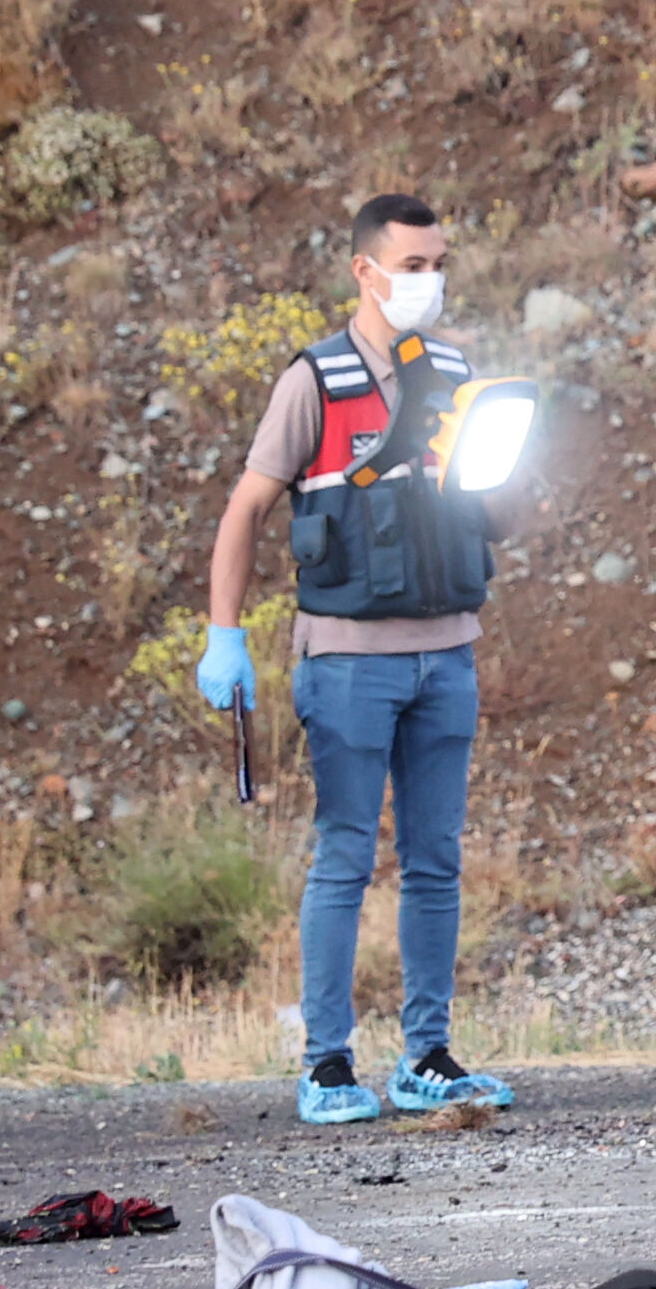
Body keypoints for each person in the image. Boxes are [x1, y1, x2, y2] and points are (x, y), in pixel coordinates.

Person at [196, 193, 538, 1127]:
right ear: (367, 270)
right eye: (413, 265)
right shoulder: (314, 379)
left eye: (440, 264)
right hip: (347, 660)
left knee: (436, 860)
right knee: (344, 856)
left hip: (448, 655)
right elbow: (246, 507)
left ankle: (427, 1056)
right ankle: (328, 1064)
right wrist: (225, 633)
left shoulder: (459, 376)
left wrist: (499, 468)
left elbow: (503, 516)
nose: (430, 281)